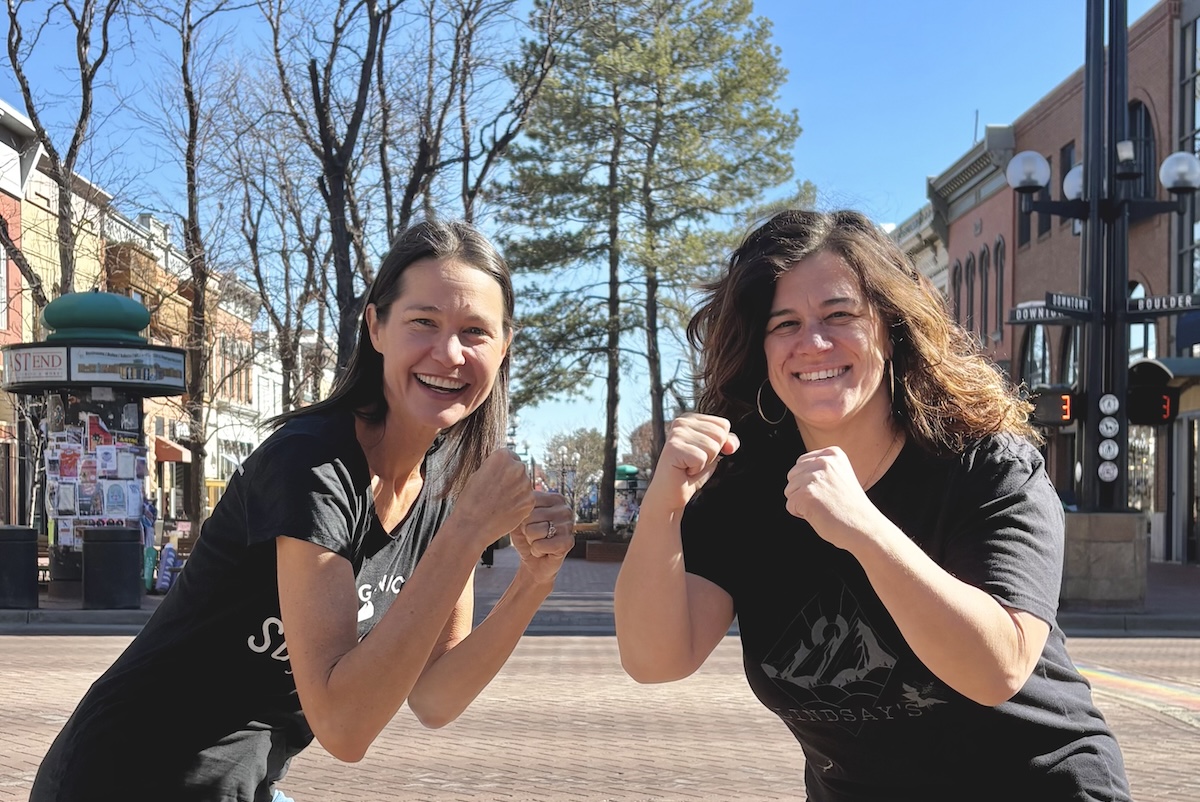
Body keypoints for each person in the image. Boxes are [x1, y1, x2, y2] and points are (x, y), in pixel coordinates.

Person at [32, 219, 576, 801]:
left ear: (504, 346)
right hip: (119, 779)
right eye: (424, 322)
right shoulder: (312, 463)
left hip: (240, 785)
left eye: (475, 331)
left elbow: (435, 698)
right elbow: (344, 728)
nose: (449, 353)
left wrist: (534, 582)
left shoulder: (448, 484)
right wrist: (467, 533)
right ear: (376, 326)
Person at [613, 209, 1132, 801]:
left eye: (840, 315)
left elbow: (999, 669)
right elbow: (656, 659)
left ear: (891, 327)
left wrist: (861, 524)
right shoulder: (744, 488)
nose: (813, 343)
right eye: (785, 323)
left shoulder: (985, 465)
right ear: (761, 349)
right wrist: (663, 504)